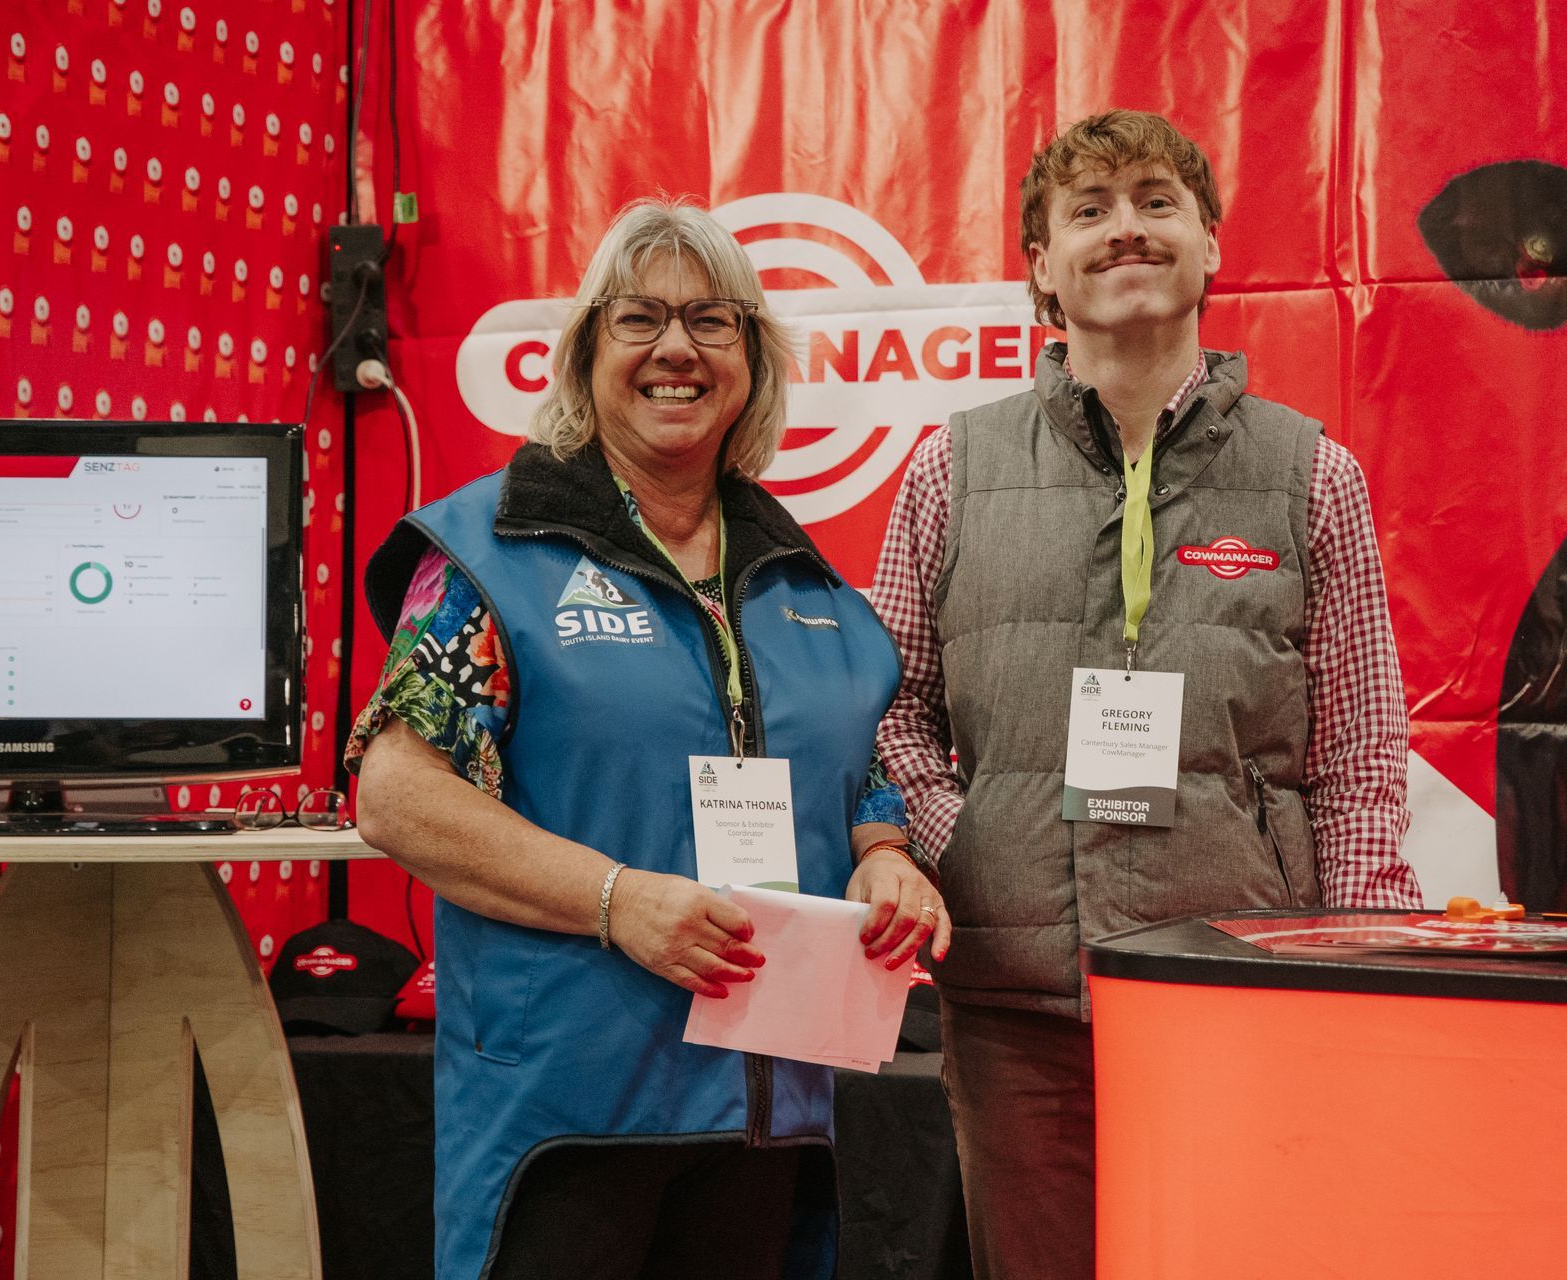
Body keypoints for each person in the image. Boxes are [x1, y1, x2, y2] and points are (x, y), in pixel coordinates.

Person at [349, 198, 949, 1280]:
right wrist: (617, 900)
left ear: (752, 361)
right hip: (568, 1116)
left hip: (764, 1109)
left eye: (712, 320)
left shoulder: (802, 582)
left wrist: (885, 850)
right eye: (640, 318)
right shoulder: (495, 552)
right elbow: (398, 796)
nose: (678, 347)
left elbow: (857, 763)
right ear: (587, 354)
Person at [870, 110, 1424, 1279]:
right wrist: (962, 839)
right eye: (1090, 210)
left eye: (1156, 201)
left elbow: (1362, 753)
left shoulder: (1312, 474)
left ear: (1210, 243)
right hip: (1016, 1007)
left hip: (1240, 986)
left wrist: (1366, 959)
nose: (1126, 228)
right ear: (1042, 267)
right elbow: (888, 714)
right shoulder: (950, 468)